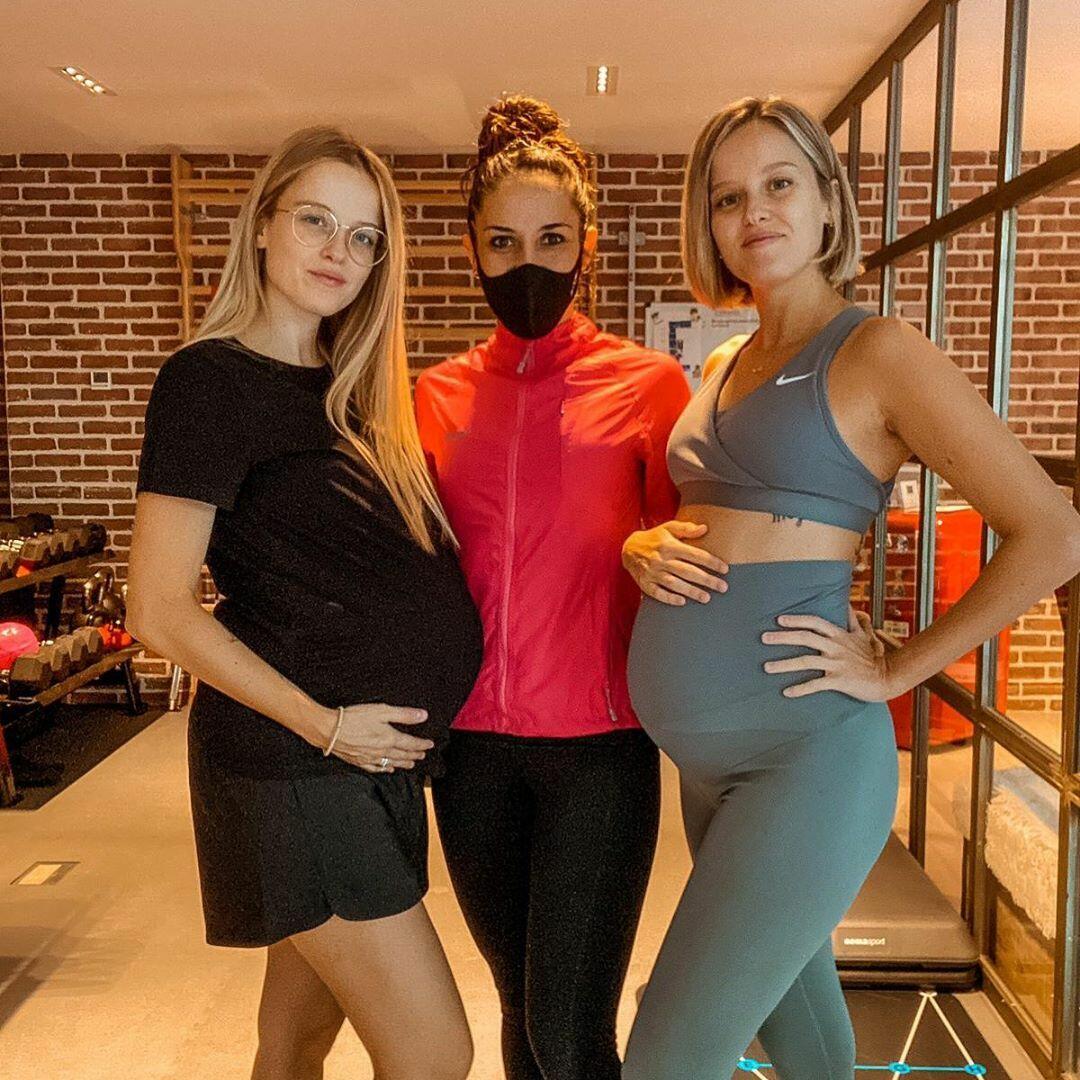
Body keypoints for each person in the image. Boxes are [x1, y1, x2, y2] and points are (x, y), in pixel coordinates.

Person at [619, 95, 1080, 1079]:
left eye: (779, 184)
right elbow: (710, 515)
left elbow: (1053, 534)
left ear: (828, 200)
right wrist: (640, 547)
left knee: (664, 1054)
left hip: (807, 756)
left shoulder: (880, 352)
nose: (754, 212)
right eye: (728, 197)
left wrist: (900, 669)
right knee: (803, 1035)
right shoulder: (724, 360)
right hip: (709, 766)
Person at [127, 127, 483, 1080]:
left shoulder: (352, 390)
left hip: (369, 762)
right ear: (262, 226)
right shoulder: (208, 381)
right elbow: (159, 608)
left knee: (296, 1038)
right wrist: (325, 725)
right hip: (298, 762)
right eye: (316, 221)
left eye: (364, 237)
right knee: (434, 1052)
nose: (339, 251)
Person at [414, 96, 691, 1080]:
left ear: (586, 248)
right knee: (518, 1008)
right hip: (470, 755)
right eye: (502, 242)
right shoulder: (432, 396)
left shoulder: (650, 387)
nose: (525, 263)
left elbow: (698, 550)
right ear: (471, 251)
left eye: (550, 240)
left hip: (600, 752)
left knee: (569, 1036)